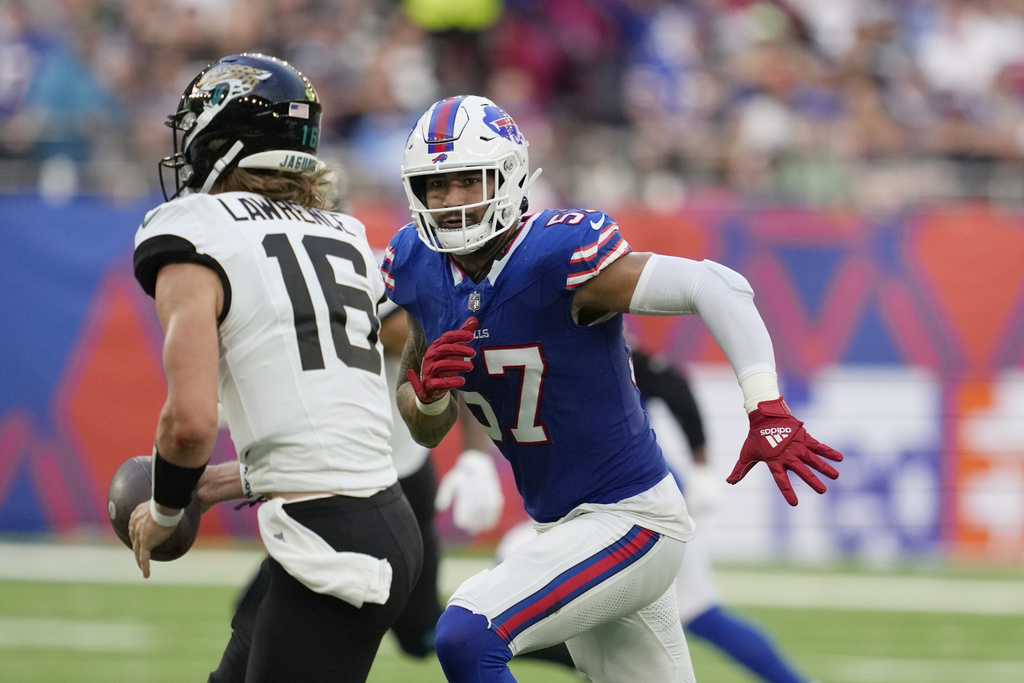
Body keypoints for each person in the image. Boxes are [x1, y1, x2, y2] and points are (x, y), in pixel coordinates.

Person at [382, 94, 843, 683]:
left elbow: (718, 286)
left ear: (507, 176)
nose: (449, 202)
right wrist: (428, 396)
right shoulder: (419, 267)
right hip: (565, 526)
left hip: (631, 520)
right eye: (434, 186)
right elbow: (423, 422)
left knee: (468, 632)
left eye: (466, 181)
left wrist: (767, 407)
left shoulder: (555, 255)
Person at [126, 53, 423, 683]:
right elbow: (325, 427)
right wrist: (219, 483)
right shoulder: (342, 232)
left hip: (331, 543)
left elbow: (188, 425)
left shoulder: (193, 230)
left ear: (222, 137)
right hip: (379, 517)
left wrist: (167, 510)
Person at [499, 348, 821, 683]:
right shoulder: (547, 344)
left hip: (630, 491)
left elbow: (672, 384)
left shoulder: (586, 344)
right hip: (601, 493)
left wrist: (700, 464)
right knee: (589, 611)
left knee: (694, 612)